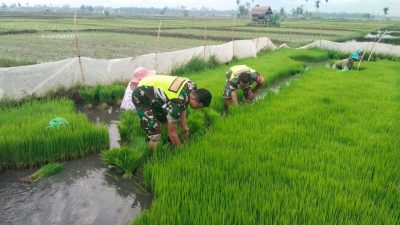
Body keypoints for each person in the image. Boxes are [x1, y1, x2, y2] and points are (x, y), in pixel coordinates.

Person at [132, 75, 212, 153]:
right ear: (193, 98)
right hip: (141, 94)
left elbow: (183, 105)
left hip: (152, 87)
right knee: (154, 134)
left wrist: (185, 126)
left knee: (166, 118)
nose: (197, 109)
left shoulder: (192, 86)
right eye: (198, 106)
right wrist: (182, 152)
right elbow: (172, 133)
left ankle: (165, 139)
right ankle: (154, 157)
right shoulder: (178, 104)